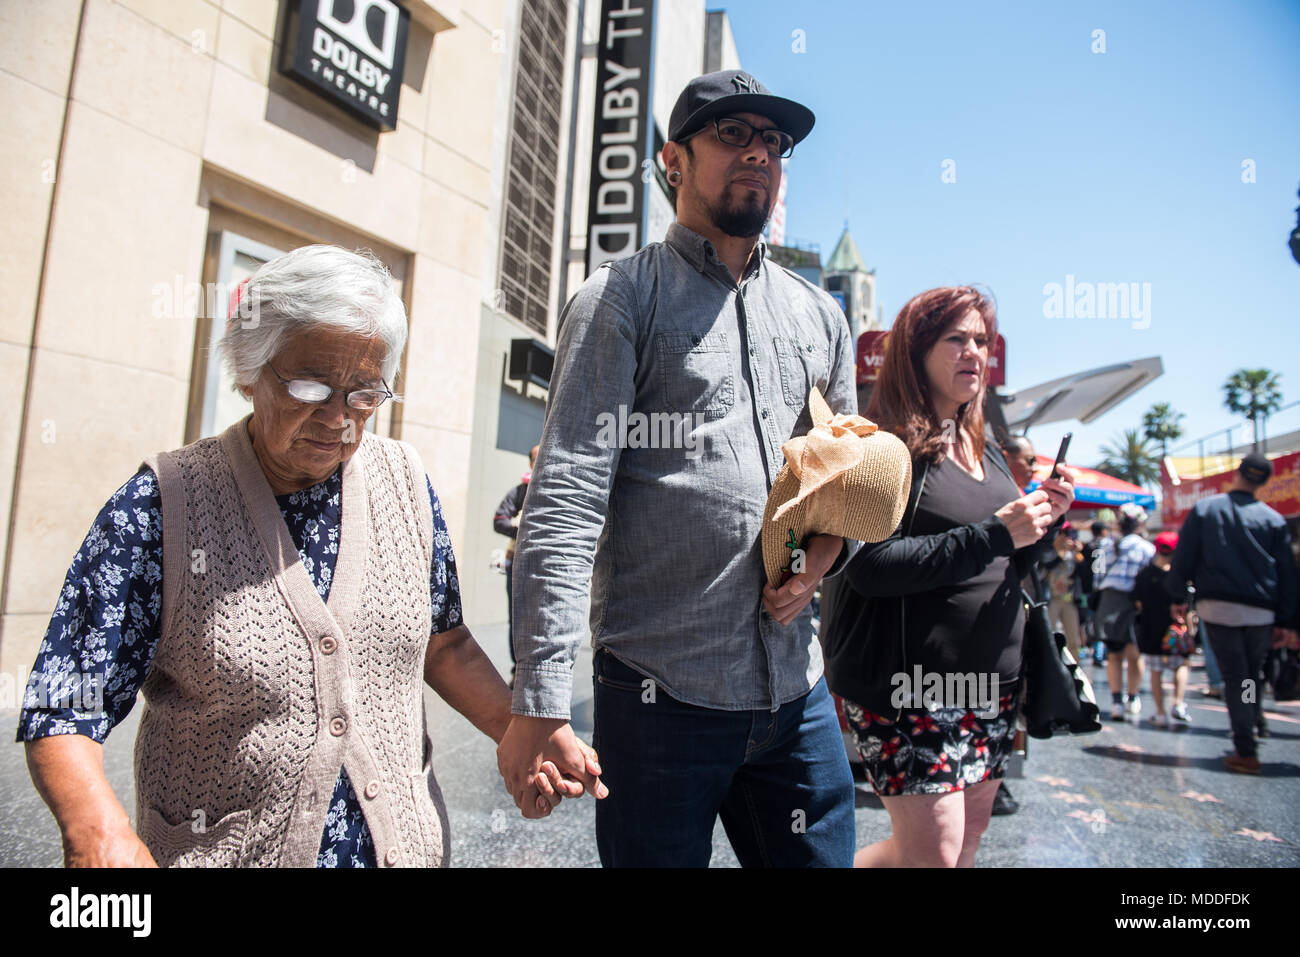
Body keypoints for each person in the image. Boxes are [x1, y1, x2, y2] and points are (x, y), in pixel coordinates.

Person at [17, 245, 591, 868]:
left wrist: (523, 729)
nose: (338, 419)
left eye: (365, 394)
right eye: (310, 386)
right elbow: (66, 701)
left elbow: (444, 644)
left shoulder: (404, 484)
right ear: (248, 370)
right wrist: (98, 831)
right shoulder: (162, 507)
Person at [497, 70, 859, 867]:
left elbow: (845, 481)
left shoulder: (819, 316)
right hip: (659, 697)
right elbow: (564, 501)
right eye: (733, 134)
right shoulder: (621, 299)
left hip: (796, 692)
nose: (758, 153)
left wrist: (825, 555)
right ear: (673, 161)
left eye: (773, 140)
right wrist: (539, 700)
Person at [822, 286, 1075, 867]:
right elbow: (869, 569)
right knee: (933, 854)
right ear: (916, 349)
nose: (974, 352)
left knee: (964, 845)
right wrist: (995, 532)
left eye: (981, 341)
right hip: (907, 686)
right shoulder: (881, 443)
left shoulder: (982, 447)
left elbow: (1007, 563)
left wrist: (1043, 524)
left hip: (991, 685)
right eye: (955, 338)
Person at [1165, 453, 1299, 773]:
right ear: (1264, 482)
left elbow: (1184, 556)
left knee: (1236, 677)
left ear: (1237, 474)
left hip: (1219, 607)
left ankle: (1246, 746)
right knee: (1251, 675)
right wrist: (1287, 619)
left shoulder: (1207, 510)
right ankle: (1252, 721)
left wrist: (1177, 595)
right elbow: (1287, 573)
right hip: (1261, 613)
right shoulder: (1273, 520)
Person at [1096, 503, 1156, 721]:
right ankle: (1133, 697)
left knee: (1114, 654)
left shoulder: (1105, 545)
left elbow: (1097, 575)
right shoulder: (1147, 548)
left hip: (1110, 600)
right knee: (1135, 653)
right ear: (1140, 523)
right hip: (1136, 602)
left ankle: (1116, 702)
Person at [1133, 531, 1191, 728]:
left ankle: (1160, 712)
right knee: (1180, 665)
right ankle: (1178, 703)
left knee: (1156, 671)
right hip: (1177, 630)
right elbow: (1189, 605)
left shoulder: (1145, 574)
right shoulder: (1180, 576)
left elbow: (1138, 603)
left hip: (1151, 629)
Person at [493, 444, 539, 681]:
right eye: (536, 458)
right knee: (518, 616)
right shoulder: (519, 492)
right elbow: (499, 520)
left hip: (546, 566)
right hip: (519, 564)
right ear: (531, 463)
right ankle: (518, 670)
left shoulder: (556, 491)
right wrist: (523, 530)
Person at [1078, 513, 1117, 665]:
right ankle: (1099, 653)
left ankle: (1091, 649)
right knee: (1099, 621)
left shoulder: (1086, 547)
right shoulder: (1101, 547)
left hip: (1085, 590)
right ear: (1103, 531)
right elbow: (1098, 570)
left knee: (1088, 621)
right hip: (1098, 591)